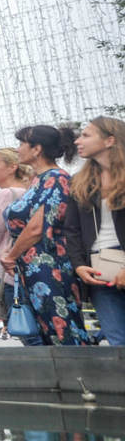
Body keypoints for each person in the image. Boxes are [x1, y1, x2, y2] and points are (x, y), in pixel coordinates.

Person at [1, 125, 90, 345]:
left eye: (22, 143)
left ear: (37, 149)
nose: (18, 148)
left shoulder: (57, 178)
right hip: (32, 267)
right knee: (43, 332)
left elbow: (36, 227)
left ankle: (80, 376)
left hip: (50, 265)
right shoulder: (37, 180)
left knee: (61, 328)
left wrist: (11, 255)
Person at [68, 117, 125, 345]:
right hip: (99, 268)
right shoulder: (80, 181)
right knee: (118, 341)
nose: (77, 140)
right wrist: (78, 264)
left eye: (86, 135)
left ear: (110, 140)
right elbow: (71, 229)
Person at [0, 148, 32, 322]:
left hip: (8, 274)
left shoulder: (6, 194)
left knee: (24, 330)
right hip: (28, 269)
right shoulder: (28, 192)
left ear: (12, 167)